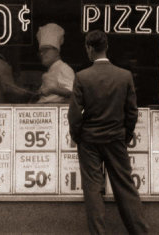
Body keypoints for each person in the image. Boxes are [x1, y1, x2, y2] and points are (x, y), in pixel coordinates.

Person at [68, 30, 149, 235]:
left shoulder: (82, 77)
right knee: (125, 188)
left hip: (89, 140)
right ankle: (140, 232)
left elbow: (75, 115)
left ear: (89, 48)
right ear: (107, 47)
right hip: (115, 139)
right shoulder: (124, 76)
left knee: (93, 190)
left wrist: (79, 137)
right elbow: (132, 112)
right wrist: (125, 135)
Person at [36, 23, 75, 103]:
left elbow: (72, 92)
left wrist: (52, 90)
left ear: (56, 51)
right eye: (41, 51)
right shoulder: (51, 69)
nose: (42, 54)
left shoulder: (64, 68)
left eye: (46, 50)